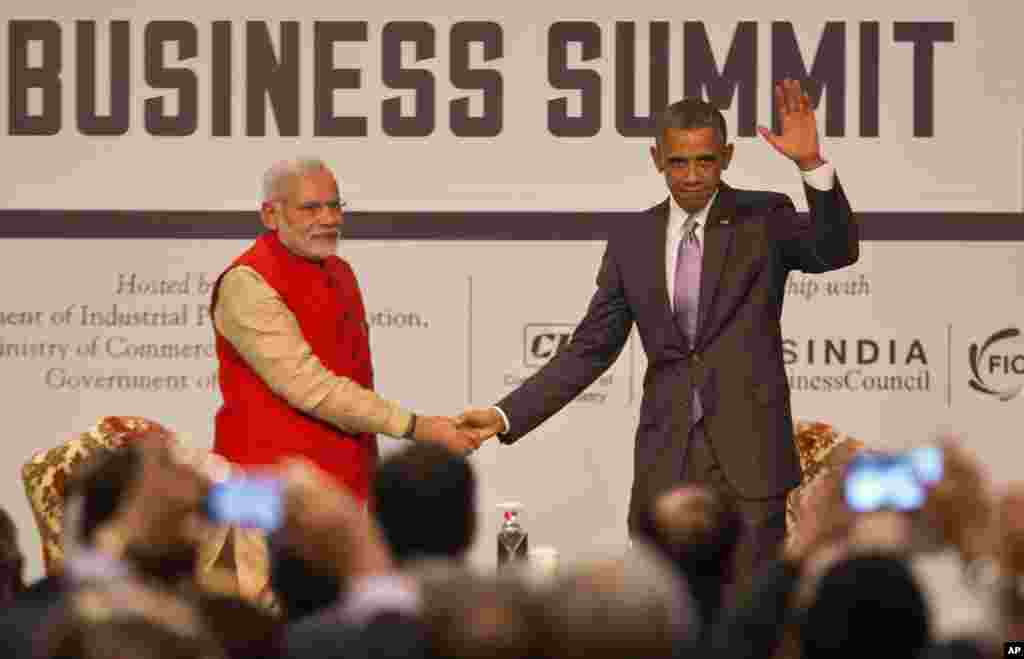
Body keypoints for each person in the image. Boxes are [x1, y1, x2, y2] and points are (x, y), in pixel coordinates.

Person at [458, 81, 858, 581]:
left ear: (727, 156)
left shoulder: (764, 217)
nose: (691, 176)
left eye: (705, 161)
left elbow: (836, 250)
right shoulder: (633, 238)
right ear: (657, 159)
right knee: (663, 609)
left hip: (750, 462)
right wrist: (505, 415)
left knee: (752, 609)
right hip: (665, 461)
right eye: (678, 163)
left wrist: (810, 164)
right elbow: (590, 349)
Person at [211, 158, 478, 502]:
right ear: (270, 215)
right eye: (310, 208)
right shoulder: (247, 282)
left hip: (345, 484)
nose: (329, 219)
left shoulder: (340, 271)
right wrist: (417, 427)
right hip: (263, 491)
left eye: (335, 206)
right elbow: (310, 386)